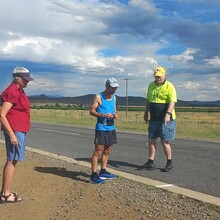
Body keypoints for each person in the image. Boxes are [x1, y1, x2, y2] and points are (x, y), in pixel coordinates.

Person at [0, 66, 34, 203]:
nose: (27, 82)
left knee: (13, 160)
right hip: (14, 130)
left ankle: (5, 192)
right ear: (17, 78)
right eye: (25, 80)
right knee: (11, 160)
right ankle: (5, 194)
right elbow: (2, 115)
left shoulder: (19, 90)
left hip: (20, 129)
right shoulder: (11, 92)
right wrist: (12, 135)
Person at [139, 66, 177, 172]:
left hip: (166, 119)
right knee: (151, 140)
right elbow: (148, 100)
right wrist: (146, 112)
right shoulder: (151, 85)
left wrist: (168, 114)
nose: (158, 78)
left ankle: (169, 162)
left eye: (160, 76)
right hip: (154, 118)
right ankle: (150, 162)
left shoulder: (169, 86)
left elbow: (173, 101)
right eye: (156, 76)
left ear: (164, 75)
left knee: (164, 141)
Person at [90, 78, 119, 184]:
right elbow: (92, 111)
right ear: (107, 85)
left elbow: (114, 110)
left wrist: (115, 115)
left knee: (107, 150)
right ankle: (93, 175)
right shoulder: (98, 97)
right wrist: (103, 115)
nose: (114, 89)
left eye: (115, 88)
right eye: (112, 87)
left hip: (111, 128)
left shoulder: (114, 98)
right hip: (101, 128)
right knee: (98, 151)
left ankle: (103, 171)